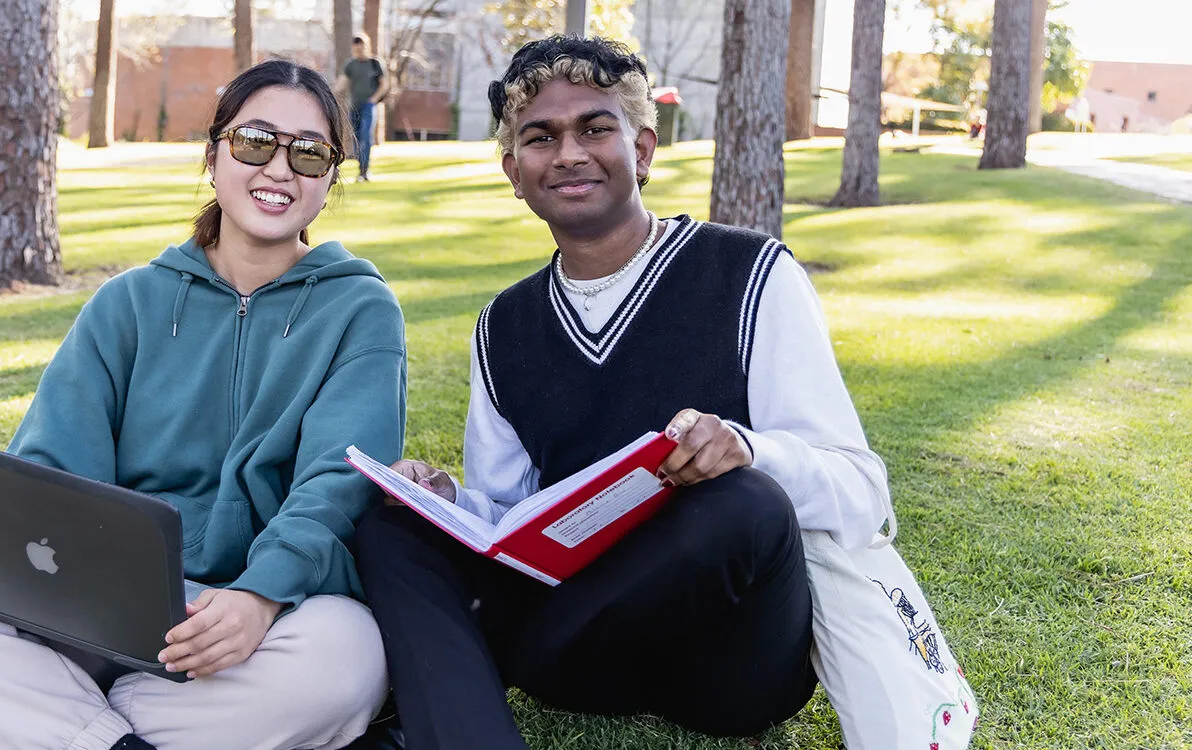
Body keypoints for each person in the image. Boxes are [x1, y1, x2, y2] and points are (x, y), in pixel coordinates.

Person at [0, 60, 408, 750]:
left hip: (247, 621)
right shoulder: (128, 302)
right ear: (213, 155)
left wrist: (259, 597)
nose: (279, 169)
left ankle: (35, 724)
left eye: (309, 153)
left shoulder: (360, 309)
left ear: (330, 177)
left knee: (349, 656)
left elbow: (337, 483)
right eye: (256, 141)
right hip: (88, 609)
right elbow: (47, 468)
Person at [353, 36, 892, 749]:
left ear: (641, 150)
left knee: (746, 501)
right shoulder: (504, 326)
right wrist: (446, 499)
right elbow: (509, 519)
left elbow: (862, 491)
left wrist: (748, 450)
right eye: (541, 138)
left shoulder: (750, 275)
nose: (569, 154)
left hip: (728, 667)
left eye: (595, 128)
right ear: (515, 172)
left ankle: (495, 659)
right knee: (389, 525)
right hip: (586, 657)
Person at [335, 33, 390, 181]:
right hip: (354, 107)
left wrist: (374, 99)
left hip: (368, 106)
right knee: (357, 139)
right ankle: (361, 169)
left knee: (365, 135)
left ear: (367, 46)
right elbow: (342, 83)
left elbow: (384, 84)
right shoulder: (350, 65)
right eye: (356, 49)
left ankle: (364, 171)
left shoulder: (375, 63)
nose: (358, 51)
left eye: (361, 48)